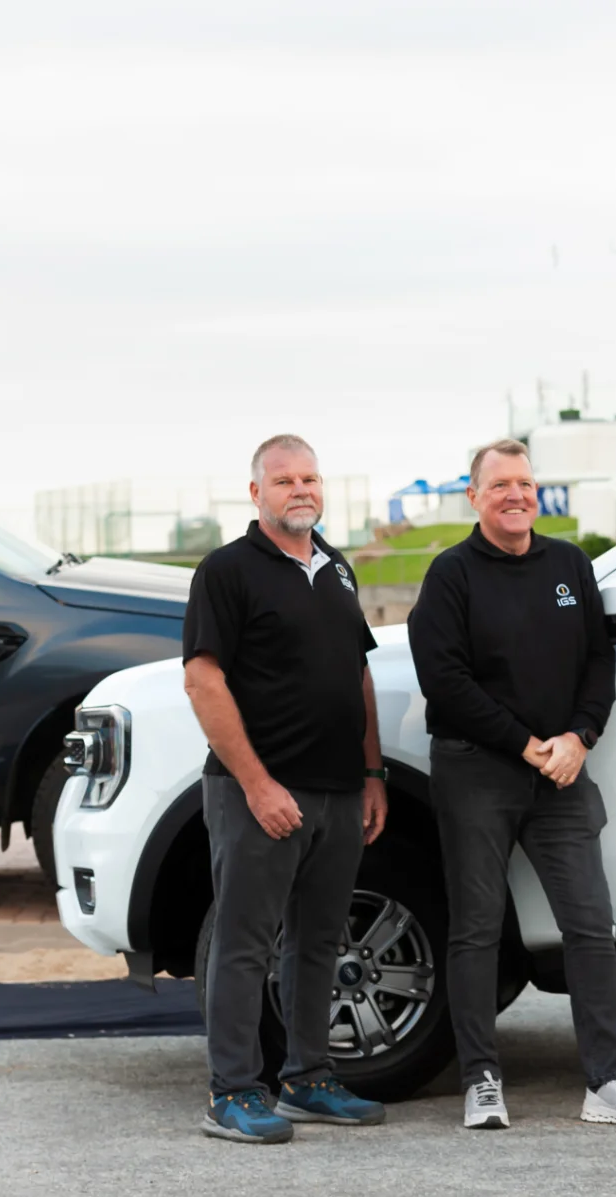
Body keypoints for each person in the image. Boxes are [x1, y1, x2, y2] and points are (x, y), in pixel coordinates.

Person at [408, 439, 616, 1131]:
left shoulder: (568, 564)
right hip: (478, 772)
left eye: (524, 483)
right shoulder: (451, 574)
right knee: (476, 930)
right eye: (500, 486)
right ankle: (481, 1079)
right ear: (474, 496)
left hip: (562, 771)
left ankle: (606, 1082)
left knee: (589, 926)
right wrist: (527, 745)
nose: (515, 495)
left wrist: (580, 736)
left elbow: (598, 659)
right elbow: (445, 681)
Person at [183, 434, 389, 1143]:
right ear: (256, 493)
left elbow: (358, 675)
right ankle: (232, 1092)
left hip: (338, 790)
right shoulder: (226, 571)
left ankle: (308, 1079)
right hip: (258, 795)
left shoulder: (337, 568)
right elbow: (202, 680)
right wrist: (257, 784)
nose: (300, 489)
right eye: (284, 480)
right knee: (244, 944)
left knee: (319, 941)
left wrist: (371, 774)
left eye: (310, 478)